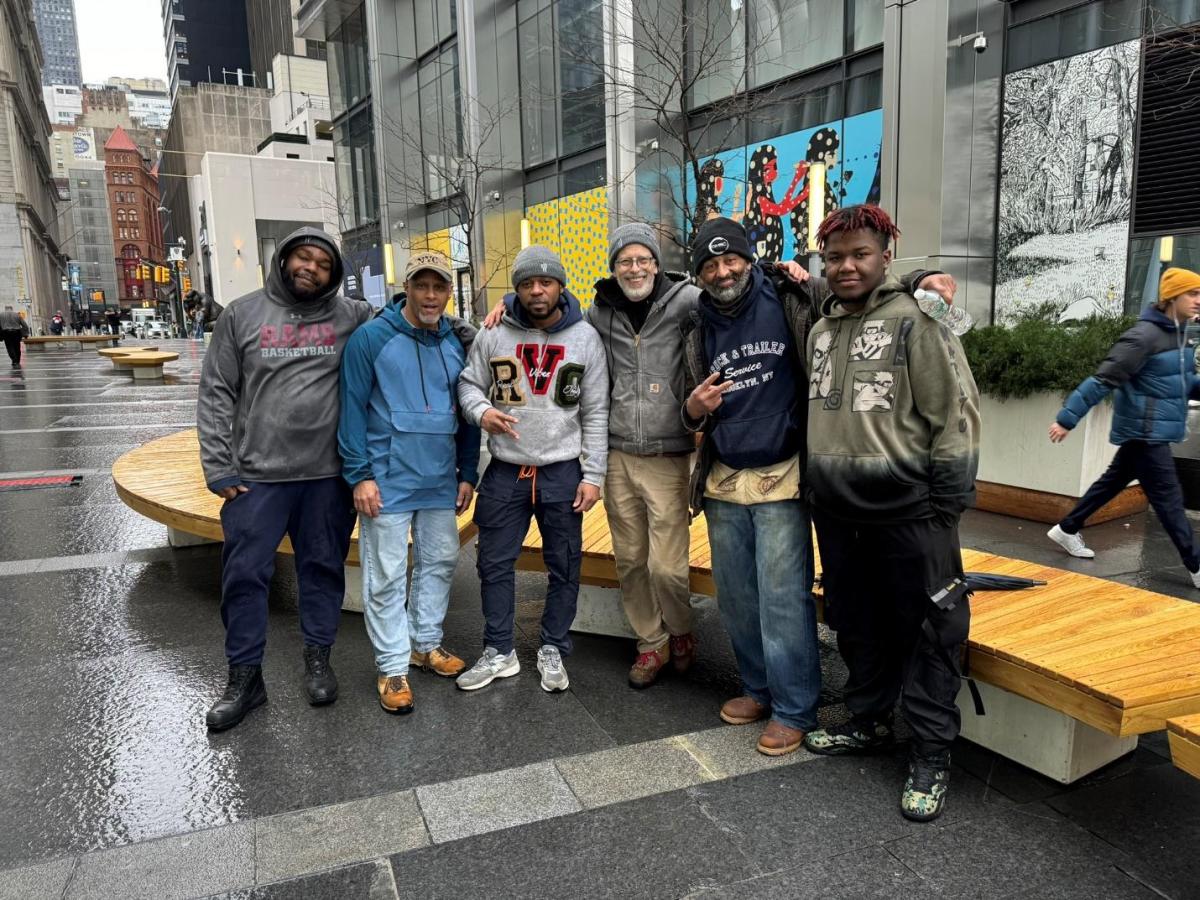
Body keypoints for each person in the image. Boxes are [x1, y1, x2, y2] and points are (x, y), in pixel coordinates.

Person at [681, 216, 954, 758]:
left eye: (730, 259)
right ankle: (758, 689)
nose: (722, 271)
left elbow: (866, 282)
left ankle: (794, 707)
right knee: (737, 598)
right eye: (709, 265)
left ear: (749, 257)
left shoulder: (794, 296)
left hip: (786, 471)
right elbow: (686, 402)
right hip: (723, 477)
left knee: (782, 597)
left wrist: (928, 276)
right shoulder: (696, 322)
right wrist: (693, 410)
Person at [801, 204, 980, 823]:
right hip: (837, 511)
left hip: (912, 512)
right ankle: (870, 719)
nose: (846, 266)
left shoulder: (920, 319)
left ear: (885, 258)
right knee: (856, 620)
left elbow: (955, 416)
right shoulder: (820, 329)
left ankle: (932, 752)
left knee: (933, 630)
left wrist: (947, 504)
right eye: (835, 257)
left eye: (860, 255)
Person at [198, 227, 373, 731]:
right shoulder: (242, 314)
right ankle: (245, 676)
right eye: (303, 258)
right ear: (284, 260)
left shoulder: (352, 316)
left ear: (334, 274)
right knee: (243, 577)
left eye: (322, 263)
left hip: (327, 477)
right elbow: (215, 392)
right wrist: (219, 465)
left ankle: (318, 659)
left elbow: (410, 324)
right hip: (257, 479)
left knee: (322, 571)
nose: (311, 268)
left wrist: (492, 321)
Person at [455, 245, 609, 693]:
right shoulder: (494, 332)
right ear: (516, 289)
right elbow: (469, 384)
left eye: (545, 282)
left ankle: (553, 646)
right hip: (506, 468)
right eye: (526, 284)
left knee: (565, 564)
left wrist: (594, 474)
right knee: (492, 563)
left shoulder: (585, 338)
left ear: (561, 285)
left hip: (562, 469)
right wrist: (482, 412)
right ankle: (499, 649)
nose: (536, 291)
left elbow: (596, 410)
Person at [338, 251, 480, 716]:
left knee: (440, 562)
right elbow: (351, 410)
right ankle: (393, 665)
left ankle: (425, 644)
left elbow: (468, 410)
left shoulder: (458, 341)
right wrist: (359, 475)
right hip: (387, 478)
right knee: (385, 575)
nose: (432, 295)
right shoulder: (370, 339)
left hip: (440, 478)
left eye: (440, 286)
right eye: (422, 285)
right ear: (408, 288)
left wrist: (467, 472)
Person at [1047, 267, 1200, 585]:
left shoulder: (1179, 334)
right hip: (1147, 432)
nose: (1199, 300)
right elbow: (1104, 378)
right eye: (1193, 293)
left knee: (1111, 483)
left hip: (1151, 430)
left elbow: (1180, 384)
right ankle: (1196, 564)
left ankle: (1066, 528)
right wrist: (1067, 419)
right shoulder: (1143, 337)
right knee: (1169, 499)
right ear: (1172, 296)